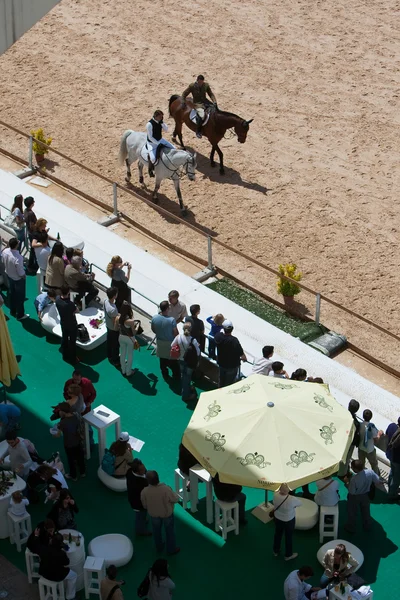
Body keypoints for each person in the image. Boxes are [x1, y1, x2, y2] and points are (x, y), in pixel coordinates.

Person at [140, 470, 180, 555]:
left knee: (156, 531)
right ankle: (171, 549)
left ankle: (159, 547)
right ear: (158, 478)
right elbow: (175, 499)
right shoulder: (166, 489)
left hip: (154, 515)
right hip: (167, 515)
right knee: (169, 531)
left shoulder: (144, 491)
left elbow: (144, 505)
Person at [344, 459, 385, 533]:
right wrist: (382, 482)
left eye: (352, 467)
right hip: (366, 495)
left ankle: (351, 527)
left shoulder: (354, 479)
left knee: (352, 512)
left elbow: (352, 491)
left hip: (355, 497)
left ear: (356, 469)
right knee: (366, 511)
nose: (351, 468)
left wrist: (347, 482)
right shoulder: (370, 472)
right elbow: (378, 481)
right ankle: (367, 526)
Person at [38, 532, 77, 600]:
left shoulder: (44, 548)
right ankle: (70, 596)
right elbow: (67, 562)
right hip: (55, 576)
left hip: (43, 572)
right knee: (73, 576)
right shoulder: (61, 553)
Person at [171, 322, 200, 402]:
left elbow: (172, 345)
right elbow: (198, 352)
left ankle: (185, 389)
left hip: (180, 359)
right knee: (187, 377)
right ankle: (185, 395)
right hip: (190, 362)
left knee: (183, 375)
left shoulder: (178, 337)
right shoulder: (193, 340)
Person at [56, 402, 85, 481]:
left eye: (60, 410)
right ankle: (82, 472)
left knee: (71, 460)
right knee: (80, 457)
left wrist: (55, 432)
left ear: (63, 412)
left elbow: (58, 435)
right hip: (78, 441)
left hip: (68, 444)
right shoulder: (76, 416)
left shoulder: (63, 422)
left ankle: (73, 476)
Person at [272, 483, 301, 561]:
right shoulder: (292, 499)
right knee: (288, 537)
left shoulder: (275, 495)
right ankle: (288, 555)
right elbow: (300, 503)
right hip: (289, 520)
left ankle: (275, 551)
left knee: (277, 534)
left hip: (278, 518)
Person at [151, 301, 180, 379]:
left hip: (160, 342)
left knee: (162, 360)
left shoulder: (154, 318)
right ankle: (176, 375)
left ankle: (165, 374)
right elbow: (176, 333)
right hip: (170, 343)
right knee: (173, 361)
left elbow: (154, 330)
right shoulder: (172, 320)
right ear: (168, 308)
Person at [2, 237, 29, 320]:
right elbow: (20, 272)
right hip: (18, 280)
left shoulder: (5, 251)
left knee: (12, 294)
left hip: (9, 276)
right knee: (20, 297)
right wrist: (24, 276)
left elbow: (3, 261)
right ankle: (20, 315)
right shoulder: (18, 258)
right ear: (16, 245)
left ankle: (12, 310)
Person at [214, 320, 247, 387]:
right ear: (232, 329)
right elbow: (242, 354)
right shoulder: (234, 340)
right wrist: (244, 358)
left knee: (221, 382)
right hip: (232, 366)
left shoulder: (218, 336)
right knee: (229, 385)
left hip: (222, 364)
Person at [126, 458, 152, 536]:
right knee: (140, 516)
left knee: (142, 515)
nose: (145, 470)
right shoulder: (140, 483)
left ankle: (143, 521)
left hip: (138, 501)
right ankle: (140, 531)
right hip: (138, 504)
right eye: (142, 470)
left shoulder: (130, 471)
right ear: (137, 471)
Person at [146, 110, 175, 177]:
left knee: (174, 148)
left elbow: (166, 129)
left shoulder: (160, 122)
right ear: (155, 116)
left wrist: (162, 123)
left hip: (160, 139)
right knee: (153, 159)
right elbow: (150, 137)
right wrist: (158, 143)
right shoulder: (149, 124)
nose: (161, 118)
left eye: (162, 117)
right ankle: (151, 169)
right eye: (160, 117)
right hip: (152, 143)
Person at [338, 399, 361, 478]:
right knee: (346, 458)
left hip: (339, 439)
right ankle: (342, 474)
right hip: (348, 444)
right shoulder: (356, 423)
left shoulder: (341, 414)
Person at [56, 285, 78, 364]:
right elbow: (77, 310)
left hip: (63, 323)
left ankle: (65, 355)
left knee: (64, 339)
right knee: (72, 342)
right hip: (72, 325)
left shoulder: (57, 300)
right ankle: (73, 359)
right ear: (68, 292)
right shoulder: (70, 304)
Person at [117, 301, 139, 377]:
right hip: (129, 339)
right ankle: (128, 371)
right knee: (130, 355)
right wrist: (137, 326)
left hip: (121, 337)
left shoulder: (118, 317)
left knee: (122, 354)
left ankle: (123, 370)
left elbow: (117, 327)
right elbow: (134, 332)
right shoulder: (130, 321)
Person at [358, 409, 382, 475]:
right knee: (374, 465)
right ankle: (375, 478)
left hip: (361, 448)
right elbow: (376, 439)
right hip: (370, 450)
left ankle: (362, 476)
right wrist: (379, 434)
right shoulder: (372, 427)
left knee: (361, 464)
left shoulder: (360, 425)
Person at [104, 286, 120, 365]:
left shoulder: (105, 301)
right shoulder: (113, 309)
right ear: (114, 295)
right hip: (113, 329)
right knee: (115, 345)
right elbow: (115, 322)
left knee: (109, 342)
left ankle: (109, 356)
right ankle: (116, 359)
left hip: (108, 325)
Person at [385, 416, 400, 501]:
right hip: (398, 460)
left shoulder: (392, 426)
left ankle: (391, 489)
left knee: (392, 472)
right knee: (397, 477)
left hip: (390, 455)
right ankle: (392, 494)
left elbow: (387, 434)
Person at [24, 196, 38, 273]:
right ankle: (32, 265)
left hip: (30, 233)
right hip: (33, 234)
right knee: (34, 249)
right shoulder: (31, 213)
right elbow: (32, 225)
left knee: (33, 249)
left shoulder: (25, 211)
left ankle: (31, 264)